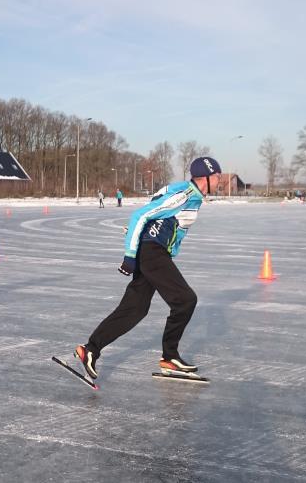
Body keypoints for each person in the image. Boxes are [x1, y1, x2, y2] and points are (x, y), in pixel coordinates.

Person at [73, 156, 222, 381]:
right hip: (152, 252)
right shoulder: (185, 195)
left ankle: (90, 349)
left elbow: (157, 207)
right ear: (206, 178)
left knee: (135, 308)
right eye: (218, 177)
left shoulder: (190, 195)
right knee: (185, 300)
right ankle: (169, 357)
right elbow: (140, 215)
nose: (220, 182)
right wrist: (130, 255)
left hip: (153, 251)